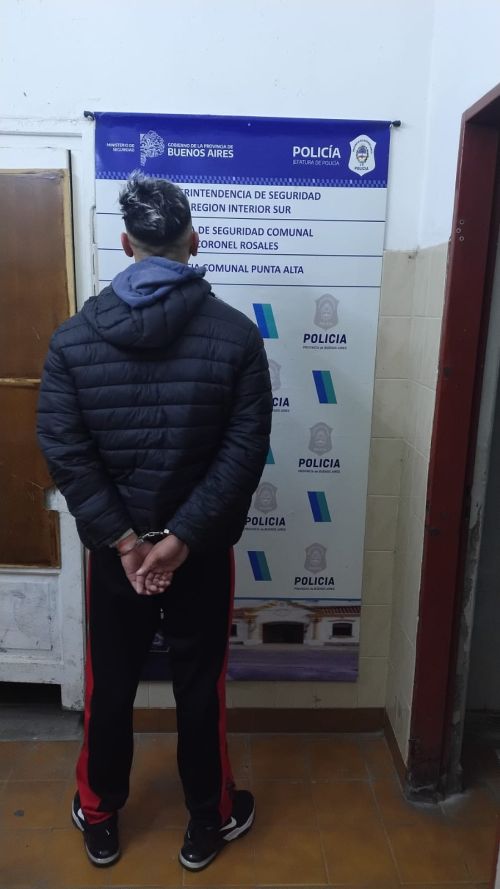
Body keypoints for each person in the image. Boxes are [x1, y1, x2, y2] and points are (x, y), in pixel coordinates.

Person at [36, 172, 272, 871]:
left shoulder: (72, 339)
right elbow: (244, 452)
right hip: (199, 552)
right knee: (201, 687)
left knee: (109, 683)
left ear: (125, 244)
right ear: (193, 241)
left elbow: (65, 450)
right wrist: (180, 540)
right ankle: (209, 818)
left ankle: (100, 814)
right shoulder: (237, 336)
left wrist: (127, 543)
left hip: (118, 557)